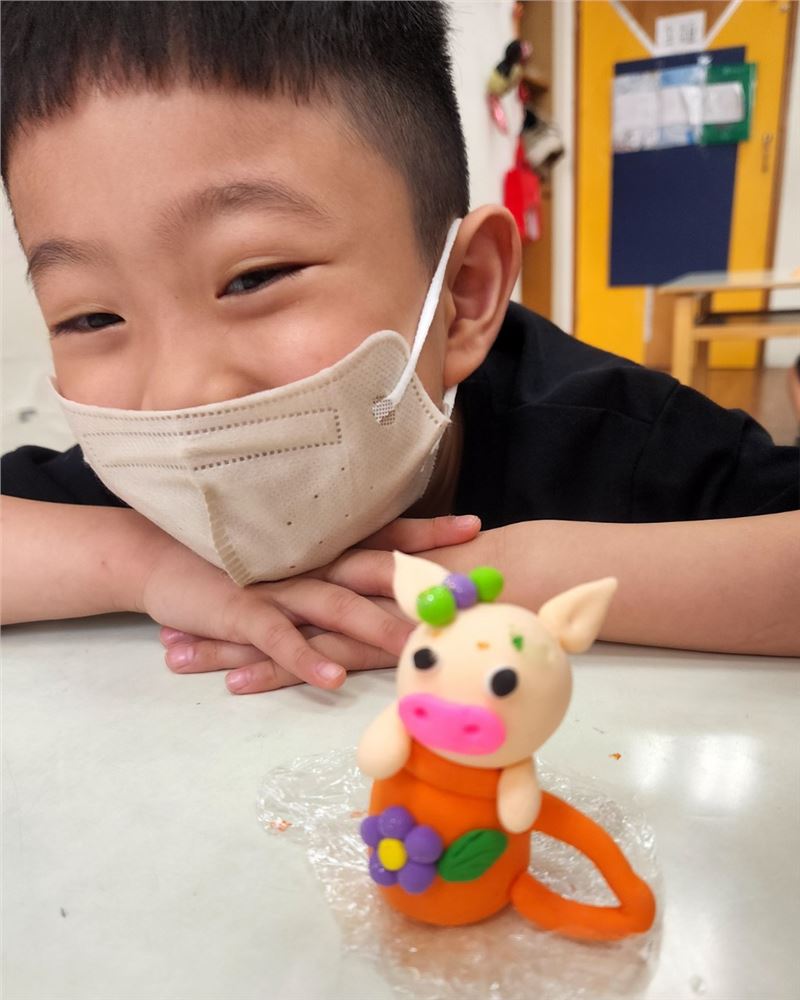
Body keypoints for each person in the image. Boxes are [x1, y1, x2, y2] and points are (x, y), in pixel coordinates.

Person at [2, 2, 798, 696]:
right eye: (91, 318)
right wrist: (142, 565)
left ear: (465, 295)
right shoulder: (143, 476)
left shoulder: (612, 438)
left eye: (254, 277)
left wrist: (499, 577)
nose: (178, 392)